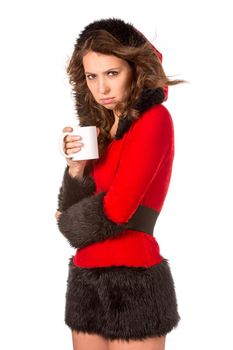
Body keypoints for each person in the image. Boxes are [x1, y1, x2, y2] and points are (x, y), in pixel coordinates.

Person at [56, 17, 185, 350]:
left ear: (135, 69)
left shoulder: (155, 120)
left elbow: (118, 209)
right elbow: (73, 207)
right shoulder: (98, 133)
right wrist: (76, 169)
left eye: (112, 73)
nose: (102, 89)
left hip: (135, 278)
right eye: (92, 76)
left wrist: (70, 223)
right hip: (85, 278)